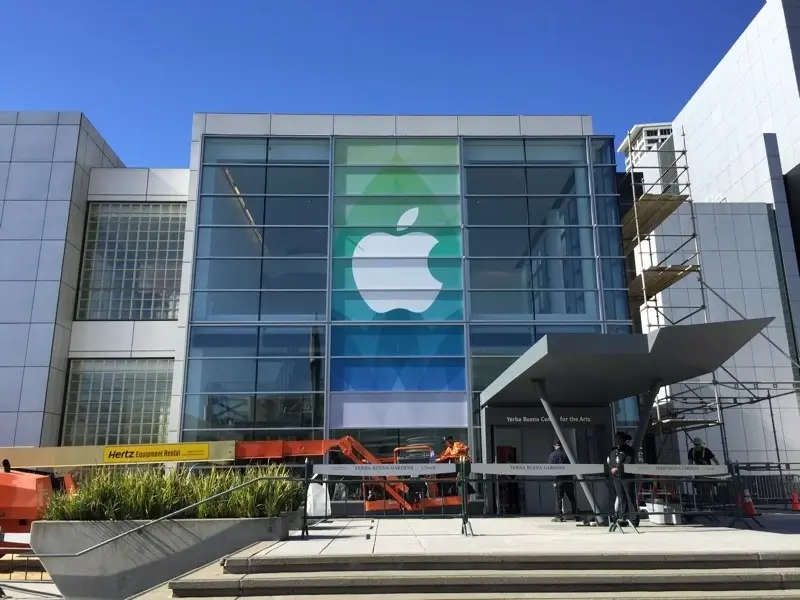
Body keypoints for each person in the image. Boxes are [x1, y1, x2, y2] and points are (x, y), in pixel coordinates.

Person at [607, 431, 639, 527]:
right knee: (621, 497)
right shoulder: (613, 450)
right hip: (616, 477)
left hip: (627, 477)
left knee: (630, 496)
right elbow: (609, 460)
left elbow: (629, 460)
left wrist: (619, 468)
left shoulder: (629, 450)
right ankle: (623, 518)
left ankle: (634, 520)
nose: (616, 440)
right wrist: (612, 468)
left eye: (618, 438)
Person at [548, 440, 579, 522]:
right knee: (572, 497)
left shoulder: (552, 455)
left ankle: (559, 516)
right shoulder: (567, 454)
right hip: (569, 479)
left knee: (558, 498)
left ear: (554, 446)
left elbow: (550, 468)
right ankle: (575, 514)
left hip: (558, 479)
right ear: (561, 445)